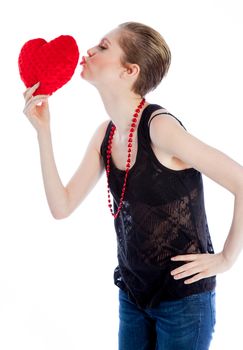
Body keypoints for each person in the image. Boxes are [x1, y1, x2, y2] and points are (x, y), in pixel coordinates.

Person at [23, 22, 243, 350]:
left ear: (129, 71)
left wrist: (226, 258)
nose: (90, 51)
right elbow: (62, 206)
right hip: (132, 295)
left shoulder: (161, 129)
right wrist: (43, 132)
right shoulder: (105, 134)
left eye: (103, 46)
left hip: (183, 302)